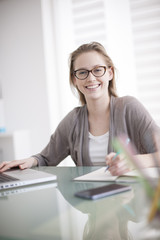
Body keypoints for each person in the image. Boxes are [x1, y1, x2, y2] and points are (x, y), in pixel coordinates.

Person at [0, 42, 160, 175]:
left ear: (110, 73)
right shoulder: (73, 120)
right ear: (74, 79)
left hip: (133, 205)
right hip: (93, 207)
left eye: (98, 70)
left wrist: (133, 161)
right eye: (82, 72)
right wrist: (29, 161)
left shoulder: (129, 108)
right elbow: (46, 158)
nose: (91, 78)